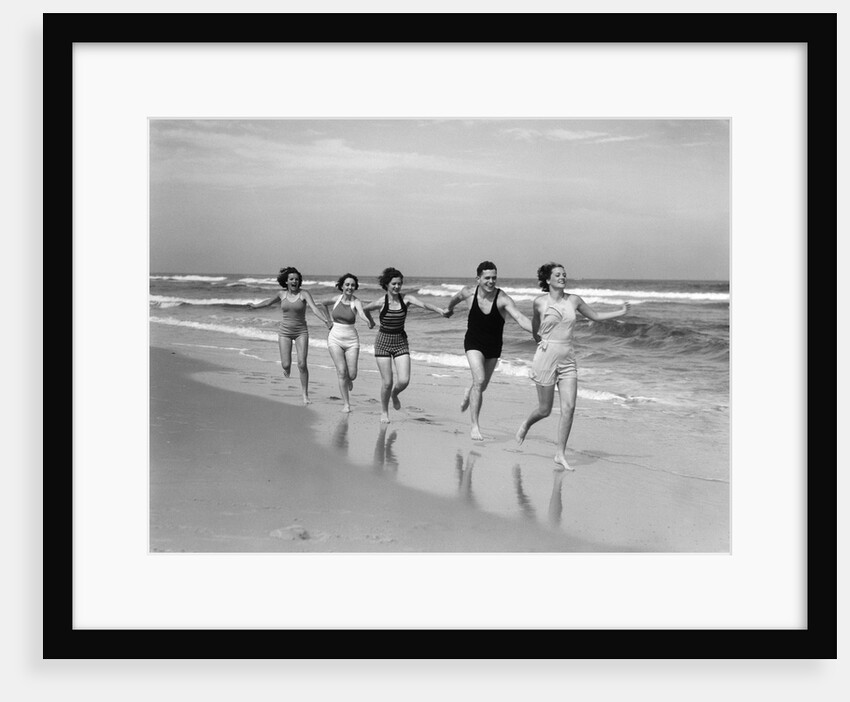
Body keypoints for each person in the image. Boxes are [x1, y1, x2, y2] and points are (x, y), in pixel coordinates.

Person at [515, 262, 631, 470]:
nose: (562, 277)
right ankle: (526, 424)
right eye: (557, 275)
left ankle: (560, 453)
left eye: (564, 275)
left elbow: (595, 316)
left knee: (569, 407)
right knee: (545, 409)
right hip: (546, 358)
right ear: (548, 280)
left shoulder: (574, 300)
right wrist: (541, 343)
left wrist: (620, 312)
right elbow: (535, 329)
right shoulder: (539, 302)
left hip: (568, 359)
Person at [445, 261, 533, 441]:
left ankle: (468, 392)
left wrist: (539, 331)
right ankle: (475, 426)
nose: (491, 281)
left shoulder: (503, 299)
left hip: (493, 346)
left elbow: (519, 318)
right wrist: (449, 309)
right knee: (479, 379)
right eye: (487, 278)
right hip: (473, 342)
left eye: (494, 277)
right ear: (478, 279)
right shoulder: (468, 293)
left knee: (481, 386)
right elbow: (455, 298)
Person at [362, 267, 449, 423]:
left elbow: (424, 304)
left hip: (400, 341)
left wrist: (440, 310)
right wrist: (371, 322)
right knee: (387, 382)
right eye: (394, 284)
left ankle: (395, 394)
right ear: (387, 284)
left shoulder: (406, 299)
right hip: (383, 342)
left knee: (404, 380)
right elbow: (364, 309)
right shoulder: (381, 302)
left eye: (399, 284)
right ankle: (384, 411)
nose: (397, 287)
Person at [247, 266, 330, 405]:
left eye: (297, 279)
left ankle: (305, 394)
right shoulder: (281, 294)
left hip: (301, 332)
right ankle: (287, 367)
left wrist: (326, 321)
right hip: (284, 332)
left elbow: (314, 308)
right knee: (286, 365)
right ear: (286, 281)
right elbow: (268, 302)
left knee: (302, 364)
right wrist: (254, 306)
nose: (294, 281)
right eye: (291, 279)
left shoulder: (304, 294)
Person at [320, 273, 375, 413]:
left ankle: (349, 380)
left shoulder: (356, 302)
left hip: (351, 341)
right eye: (347, 284)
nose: (350, 287)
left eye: (352, 285)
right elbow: (323, 304)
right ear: (342, 286)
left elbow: (361, 313)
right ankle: (346, 404)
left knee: (352, 375)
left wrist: (367, 320)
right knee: (341, 371)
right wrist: (328, 321)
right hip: (334, 338)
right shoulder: (336, 299)